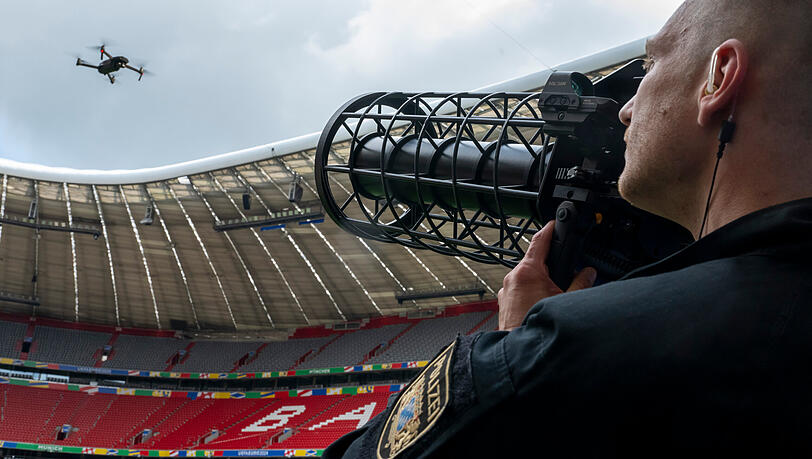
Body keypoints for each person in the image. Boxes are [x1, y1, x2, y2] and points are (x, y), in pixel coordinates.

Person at [323, 0, 812, 457]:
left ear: (719, 78)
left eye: (651, 66)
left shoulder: (571, 349)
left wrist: (518, 350)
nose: (624, 108)